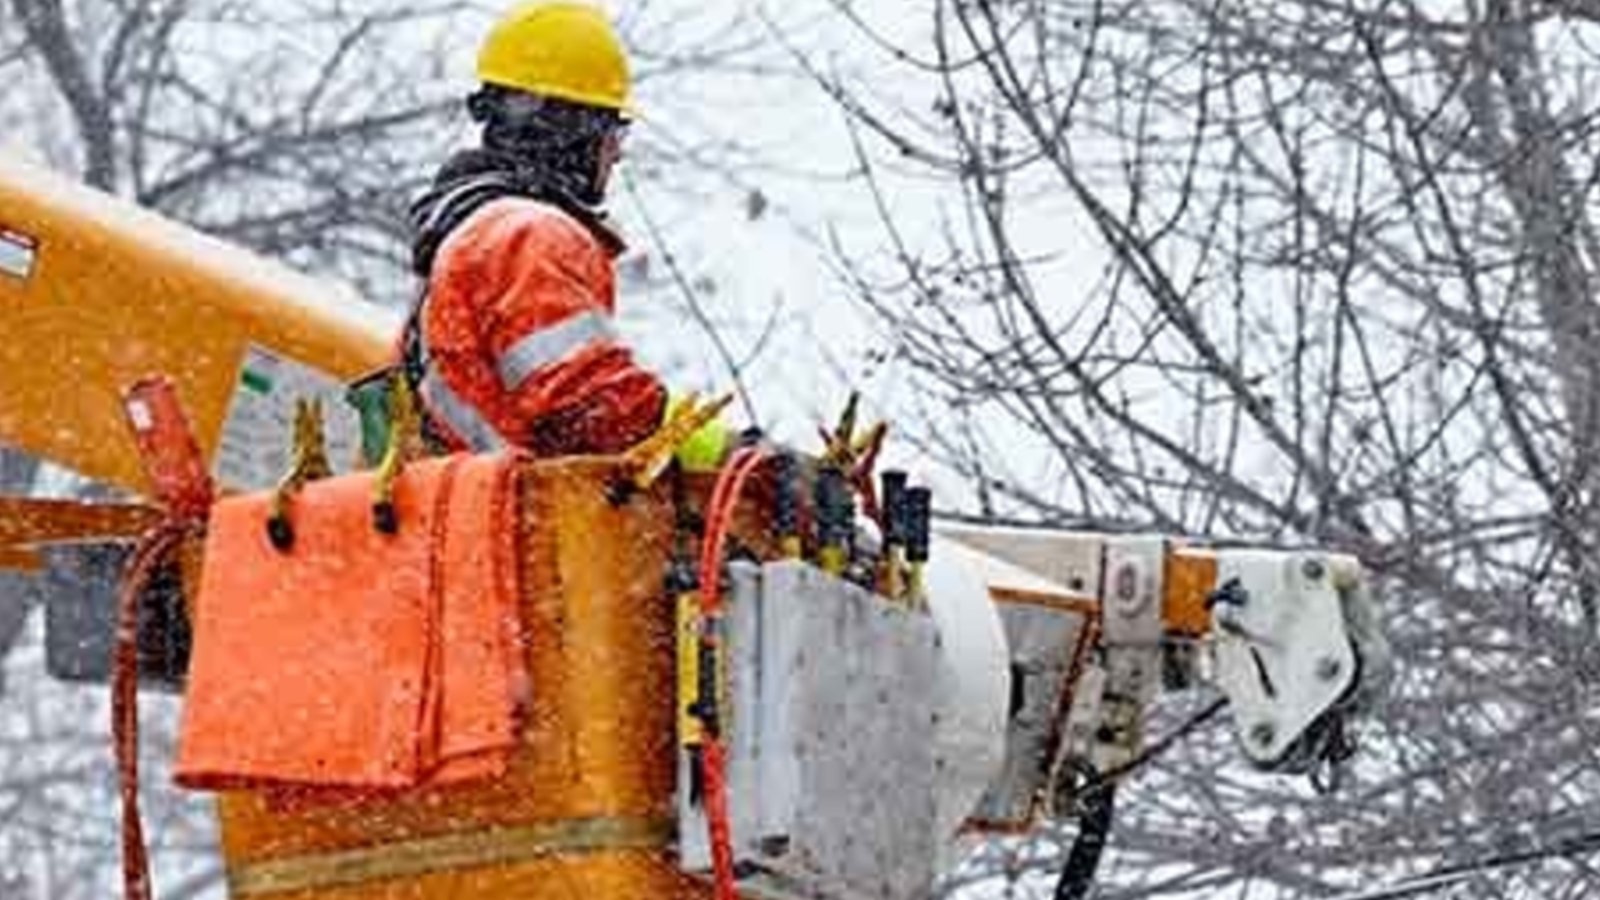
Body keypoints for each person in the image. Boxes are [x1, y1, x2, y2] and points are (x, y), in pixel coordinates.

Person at [401, 1, 671, 458]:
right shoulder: (531, 236)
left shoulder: (473, 232)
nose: (617, 156)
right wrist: (741, 460)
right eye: (615, 133)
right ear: (575, 132)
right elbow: (601, 412)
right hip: (507, 523)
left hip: (465, 513)